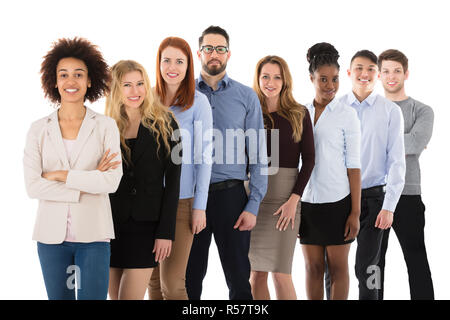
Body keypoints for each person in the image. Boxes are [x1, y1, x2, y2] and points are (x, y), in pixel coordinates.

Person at [23, 37, 123, 300]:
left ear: (89, 80)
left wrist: (61, 176)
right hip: (50, 238)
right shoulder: (38, 129)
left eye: (79, 75)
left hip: (94, 236)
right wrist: (85, 183)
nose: (71, 81)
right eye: (64, 75)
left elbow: (111, 181)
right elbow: (33, 186)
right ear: (54, 81)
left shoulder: (105, 126)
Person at [185, 25, 268, 300]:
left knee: (239, 281)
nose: (214, 54)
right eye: (208, 48)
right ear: (199, 53)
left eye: (220, 49)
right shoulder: (182, 95)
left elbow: (258, 156)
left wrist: (253, 204)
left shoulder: (246, 97)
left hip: (231, 197)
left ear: (228, 54)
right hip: (190, 197)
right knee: (189, 278)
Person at [105, 60, 181, 300]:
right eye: (127, 85)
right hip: (109, 226)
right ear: (116, 89)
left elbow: (173, 183)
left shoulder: (168, 123)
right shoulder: (104, 126)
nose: (135, 91)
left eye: (140, 84)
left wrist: (166, 232)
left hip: (147, 227)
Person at [333, 50, 406, 300]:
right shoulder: (335, 108)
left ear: (377, 74)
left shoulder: (389, 111)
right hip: (338, 198)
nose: (365, 74)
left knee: (369, 267)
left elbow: (396, 161)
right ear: (350, 72)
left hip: (374, 200)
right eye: (359, 68)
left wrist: (390, 206)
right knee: (334, 268)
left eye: (371, 69)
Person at [148, 37, 213, 300]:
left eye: (179, 61)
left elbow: (205, 159)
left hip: (182, 203)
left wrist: (200, 207)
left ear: (188, 65)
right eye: (166, 60)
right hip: (148, 202)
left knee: (172, 284)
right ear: (158, 63)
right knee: (151, 282)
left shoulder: (199, 103)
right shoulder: (146, 98)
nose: (172, 67)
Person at [248, 55, 314, 300]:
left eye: (277, 77)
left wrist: (293, 201)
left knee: (281, 273)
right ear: (258, 79)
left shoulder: (299, 113)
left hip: (286, 200)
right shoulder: (250, 112)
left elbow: (309, 160)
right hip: (253, 199)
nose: (270, 82)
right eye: (265, 76)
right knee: (256, 274)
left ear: (285, 81)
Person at [299, 43, 361, 300]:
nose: (330, 85)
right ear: (311, 78)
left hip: (338, 202)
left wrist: (355, 213)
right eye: (323, 79)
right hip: (307, 203)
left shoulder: (347, 115)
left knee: (337, 268)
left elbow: (354, 167)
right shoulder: (300, 112)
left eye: (334, 79)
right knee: (313, 268)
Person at [378, 49, 434, 300]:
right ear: (379, 75)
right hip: (374, 195)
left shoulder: (422, 111)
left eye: (397, 71)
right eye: (386, 71)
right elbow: (407, 145)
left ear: (406, 73)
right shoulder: (369, 109)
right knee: (372, 263)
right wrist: (405, 144)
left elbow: (415, 142)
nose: (392, 76)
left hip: (408, 195)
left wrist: (379, 142)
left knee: (416, 259)